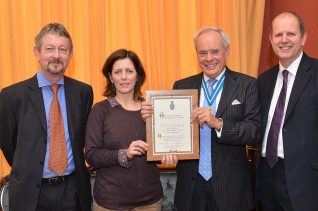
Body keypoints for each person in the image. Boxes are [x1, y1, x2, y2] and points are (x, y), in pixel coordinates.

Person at [141, 26, 261, 211]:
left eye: (215, 52)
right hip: (191, 186)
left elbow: (254, 131)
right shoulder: (182, 86)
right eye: (203, 53)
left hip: (231, 187)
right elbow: (172, 128)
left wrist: (218, 123)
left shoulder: (247, 84)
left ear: (227, 51)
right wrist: (153, 118)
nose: (209, 58)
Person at [0, 23, 93, 211]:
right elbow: (8, 145)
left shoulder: (83, 92)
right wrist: (29, 166)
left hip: (73, 191)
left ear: (71, 54)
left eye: (62, 49)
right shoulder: (11, 96)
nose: (56, 55)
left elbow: (83, 138)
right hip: (30, 194)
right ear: (37, 53)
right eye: (49, 49)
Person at [85, 49, 163, 211]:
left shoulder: (152, 109)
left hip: (149, 202)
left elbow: (159, 149)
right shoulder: (100, 110)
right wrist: (124, 154)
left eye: (129, 71)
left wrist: (168, 154)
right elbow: (91, 154)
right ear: (110, 77)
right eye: (118, 72)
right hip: (110, 203)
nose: (124, 77)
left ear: (138, 75)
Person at [257, 11, 318, 211]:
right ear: (271, 39)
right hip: (266, 177)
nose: (284, 40)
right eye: (278, 35)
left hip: (305, 181)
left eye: (291, 34)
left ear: (303, 38)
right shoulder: (264, 80)